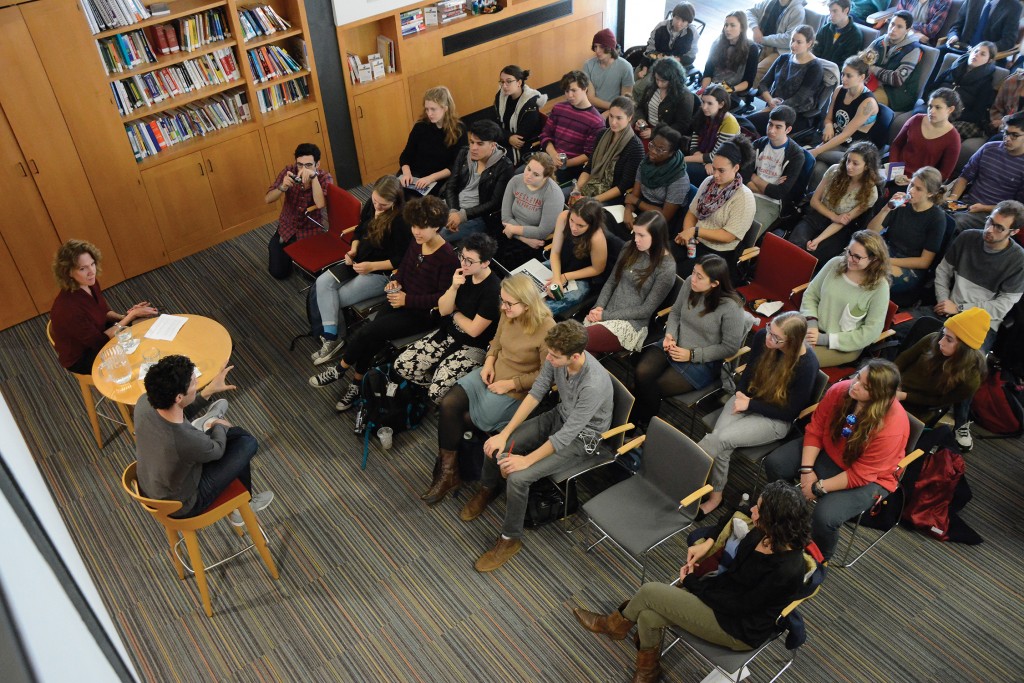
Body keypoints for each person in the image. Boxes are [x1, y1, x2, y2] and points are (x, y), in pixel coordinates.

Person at [571, 480, 813, 683]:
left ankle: (614, 625)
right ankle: (648, 670)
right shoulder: (763, 533)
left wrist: (694, 585)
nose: (752, 512)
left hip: (738, 627)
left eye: (759, 510)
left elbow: (739, 606)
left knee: (649, 592)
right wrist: (706, 552)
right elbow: (733, 572)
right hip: (724, 601)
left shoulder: (787, 570)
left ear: (776, 520)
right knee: (647, 617)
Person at [463, 320, 613, 573]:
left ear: (576, 356)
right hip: (560, 415)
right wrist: (506, 433)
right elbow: (536, 393)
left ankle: (510, 539)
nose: (549, 359)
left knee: (519, 478)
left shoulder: (593, 384)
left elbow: (568, 435)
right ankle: (488, 488)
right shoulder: (556, 357)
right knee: (498, 442)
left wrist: (527, 460)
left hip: (583, 438)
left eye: (555, 357)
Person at [308, 196, 459, 412]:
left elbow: (442, 298)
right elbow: (404, 269)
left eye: (422, 227)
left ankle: (339, 370)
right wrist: (395, 282)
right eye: (414, 225)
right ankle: (356, 384)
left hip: (422, 314)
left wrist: (407, 299)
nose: (416, 231)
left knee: (368, 332)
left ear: (436, 227)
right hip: (401, 300)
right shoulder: (417, 244)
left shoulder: (447, 258)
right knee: (372, 337)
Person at [426, 274, 556, 506]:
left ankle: (459, 469)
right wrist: (488, 362)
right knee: (449, 404)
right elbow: (495, 341)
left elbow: (545, 377)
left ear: (526, 304)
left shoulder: (547, 330)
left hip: (517, 388)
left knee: (468, 419)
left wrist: (512, 383)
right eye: (502, 301)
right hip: (494, 370)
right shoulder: (508, 313)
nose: (503, 307)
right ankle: (449, 473)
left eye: (508, 303)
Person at [764, 359, 909, 559]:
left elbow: (861, 474)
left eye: (864, 386)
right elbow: (815, 429)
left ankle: (819, 557)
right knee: (776, 464)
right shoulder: (842, 390)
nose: (854, 385)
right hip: (829, 452)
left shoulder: (892, 427)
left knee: (824, 517)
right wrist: (807, 471)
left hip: (870, 478)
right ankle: (785, 519)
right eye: (858, 377)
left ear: (879, 396)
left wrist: (817, 487)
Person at [698, 312, 820, 515]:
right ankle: (715, 496)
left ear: (791, 341)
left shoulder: (807, 365)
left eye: (776, 338)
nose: (768, 337)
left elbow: (790, 412)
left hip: (775, 418)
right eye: (770, 329)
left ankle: (684, 472)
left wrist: (750, 405)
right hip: (747, 399)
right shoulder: (763, 336)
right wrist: (740, 395)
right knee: (721, 443)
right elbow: (749, 373)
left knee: (720, 439)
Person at [136, 356, 274, 525]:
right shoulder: (185, 439)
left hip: (151, 486)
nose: (197, 383)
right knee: (245, 442)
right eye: (194, 383)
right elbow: (216, 451)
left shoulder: (144, 402)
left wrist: (209, 390)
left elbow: (177, 412)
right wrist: (218, 425)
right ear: (179, 397)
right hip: (183, 505)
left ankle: (205, 425)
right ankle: (242, 508)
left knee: (229, 440)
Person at [932, 201, 1024, 447]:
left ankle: (961, 422)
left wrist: (960, 310)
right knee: (907, 333)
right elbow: (942, 271)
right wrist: (943, 300)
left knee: (971, 366)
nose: (989, 230)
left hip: (982, 323)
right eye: (989, 221)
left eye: (998, 227)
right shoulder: (968, 238)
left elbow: (1001, 307)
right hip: (947, 310)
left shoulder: (1018, 260)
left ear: (1013, 232)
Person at [632, 254, 747, 430]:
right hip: (674, 343)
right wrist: (670, 335)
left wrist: (692, 354)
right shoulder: (689, 284)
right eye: (693, 272)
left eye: (699, 277)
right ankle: (637, 425)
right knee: (641, 373)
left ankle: (640, 425)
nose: (692, 279)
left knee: (652, 387)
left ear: (715, 283)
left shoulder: (732, 308)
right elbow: (676, 313)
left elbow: (730, 348)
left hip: (701, 360)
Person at [310, 176, 410, 366]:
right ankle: (333, 339)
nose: (377, 207)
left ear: (395, 201)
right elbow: (359, 230)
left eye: (383, 205)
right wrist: (353, 249)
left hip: (378, 272)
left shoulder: (401, 221)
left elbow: (401, 259)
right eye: (375, 202)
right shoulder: (373, 205)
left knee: (333, 297)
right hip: (360, 260)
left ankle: (333, 339)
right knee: (322, 283)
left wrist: (371, 266)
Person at [393, 233, 500, 404]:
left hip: (474, 346)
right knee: (402, 366)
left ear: (486, 263)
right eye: (462, 257)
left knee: (436, 393)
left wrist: (455, 313)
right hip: (449, 332)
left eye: (470, 261)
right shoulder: (462, 274)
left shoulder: (493, 291)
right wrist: (454, 287)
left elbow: (474, 330)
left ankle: (444, 395)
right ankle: (433, 385)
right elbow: (443, 310)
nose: (463, 263)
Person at [49, 239, 157, 375]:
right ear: (68, 272)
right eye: (83, 268)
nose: (91, 272)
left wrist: (126, 317)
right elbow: (100, 342)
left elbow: (102, 312)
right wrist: (131, 316)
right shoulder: (69, 309)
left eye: (92, 264)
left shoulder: (89, 283)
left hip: (98, 332)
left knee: (144, 328)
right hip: (84, 356)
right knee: (137, 355)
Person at [584, 212, 678, 353]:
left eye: (641, 235)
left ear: (657, 237)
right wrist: (598, 307)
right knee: (578, 350)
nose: (636, 239)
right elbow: (611, 282)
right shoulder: (630, 247)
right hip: (606, 311)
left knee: (575, 341)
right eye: (635, 233)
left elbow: (646, 310)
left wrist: (604, 316)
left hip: (630, 324)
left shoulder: (666, 268)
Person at [800, 230, 892, 367]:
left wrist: (824, 339)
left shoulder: (880, 287)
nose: (849, 259)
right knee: (775, 338)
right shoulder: (835, 263)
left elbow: (871, 332)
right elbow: (811, 295)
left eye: (857, 257)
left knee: (796, 359)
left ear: (874, 259)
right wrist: (811, 323)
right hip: (812, 329)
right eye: (849, 251)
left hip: (842, 346)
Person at [674, 139, 758, 279]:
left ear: (736, 168)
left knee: (675, 273)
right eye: (714, 168)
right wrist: (689, 237)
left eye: (721, 170)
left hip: (717, 253)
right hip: (696, 241)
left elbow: (728, 236)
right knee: (661, 257)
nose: (715, 175)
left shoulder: (744, 197)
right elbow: (692, 212)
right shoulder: (708, 183)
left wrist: (695, 231)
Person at [788, 141, 881, 265]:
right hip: (817, 215)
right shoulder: (834, 171)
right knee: (794, 246)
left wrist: (818, 239)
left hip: (838, 229)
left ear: (866, 166)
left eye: (855, 163)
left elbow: (843, 221)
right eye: (848, 161)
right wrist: (834, 216)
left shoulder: (870, 192)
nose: (849, 166)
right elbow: (814, 201)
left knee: (812, 256)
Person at [895, 308, 988, 430]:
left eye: (949, 339)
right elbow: (903, 359)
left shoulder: (970, 380)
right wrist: (894, 383)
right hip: (895, 386)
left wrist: (903, 396)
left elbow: (938, 401)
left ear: (964, 348)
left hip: (917, 407)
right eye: (944, 334)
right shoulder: (933, 339)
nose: (940, 342)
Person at [866, 166, 945, 299]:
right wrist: (886, 209)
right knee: (852, 258)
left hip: (909, 265)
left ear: (930, 193)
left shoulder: (936, 218)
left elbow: (924, 262)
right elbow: (870, 232)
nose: (912, 190)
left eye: (918, 189)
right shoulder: (901, 203)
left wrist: (886, 261)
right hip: (887, 251)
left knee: (873, 277)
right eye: (911, 185)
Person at [945, 112, 1024, 232]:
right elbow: (964, 177)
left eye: (1014, 135)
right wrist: (953, 198)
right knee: (930, 209)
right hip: (965, 203)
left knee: (953, 223)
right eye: (1006, 133)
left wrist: (984, 208)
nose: (1007, 138)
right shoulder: (989, 148)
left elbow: (1017, 208)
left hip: (995, 214)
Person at [265, 142, 333, 279]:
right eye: (300, 165)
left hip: (310, 230)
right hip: (287, 227)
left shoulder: (325, 177)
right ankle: (287, 251)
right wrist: (282, 187)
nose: (303, 169)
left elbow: (320, 204)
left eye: (308, 165)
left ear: (317, 165)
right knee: (278, 273)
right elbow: (268, 199)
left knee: (312, 275)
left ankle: (296, 254)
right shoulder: (289, 171)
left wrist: (314, 179)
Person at [442, 120, 514, 243]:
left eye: (480, 144)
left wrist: (462, 216)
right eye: (471, 142)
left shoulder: (505, 166)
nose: (473, 148)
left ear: (493, 145)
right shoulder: (464, 153)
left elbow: (494, 203)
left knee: (440, 237)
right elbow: (451, 186)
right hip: (453, 206)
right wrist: (453, 210)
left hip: (478, 216)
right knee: (419, 223)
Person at [748, 25, 825, 135]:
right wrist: (770, 100)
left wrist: (774, 108)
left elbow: (799, 99)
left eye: (799, 42)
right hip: (773, 107)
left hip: (795, 115)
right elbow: (763, 84)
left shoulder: (814, 67)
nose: (793, 45)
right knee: (746, 123)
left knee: (748, 123)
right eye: (792, 40)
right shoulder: (783, 58)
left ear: (809, 43)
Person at [497, 152, 564, 269]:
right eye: (528, 169)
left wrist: (513, 230)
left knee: (510, 266)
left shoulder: (553, 193)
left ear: (546, 177)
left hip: (535, 242)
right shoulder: (515, 181)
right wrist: (524, 238)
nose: (528, 176)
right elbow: (506, 217)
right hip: (516, 234)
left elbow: (542, 231)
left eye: (536, 174)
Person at [574, 96, 644, 205]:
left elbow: (623, 186)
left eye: (619, 118)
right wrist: (577, 190)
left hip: (612, 197)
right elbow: (589, 167)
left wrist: (592, 200)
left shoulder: (635, 147)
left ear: (629, 118)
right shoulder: (602, 134)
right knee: (563, 197)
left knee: (582, 212)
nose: (613, 122)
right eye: (611, 116)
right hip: (590, 185)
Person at [539, 70, 606, 183]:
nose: (569, 95)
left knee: (539, 183)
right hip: (550, 158)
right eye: (566, 91)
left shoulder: (597, 121)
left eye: (574, 90)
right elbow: (545, 134)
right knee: (520, 176)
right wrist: (554, 155)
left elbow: (589, 155)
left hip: (571, 168)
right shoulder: (558, 108)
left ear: (585, 89)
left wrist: (562, 163)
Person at [545, 198, 609, 316]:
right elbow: (555, 252)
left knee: (545, 308)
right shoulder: (564, 217)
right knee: (525, 282)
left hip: (581, 277)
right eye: (572, 220)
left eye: (580, 225)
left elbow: (597, 269)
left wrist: (563, 277)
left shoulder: (597, 238)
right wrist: (556, 277)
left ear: (591, 225)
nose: (574, 227)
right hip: (559, 263)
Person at [747, 105, 807, 229]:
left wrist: (754, 177)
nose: (771, 130)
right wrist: (768, 188)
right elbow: (743, 175)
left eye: (778, 127)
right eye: (770, 124)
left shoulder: (796, 155)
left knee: (749, 229)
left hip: (772, 203)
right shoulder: (758, 144)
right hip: (748, 191)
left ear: (788, 129)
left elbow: (779, 193)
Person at [399, 86, 464, 198]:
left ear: (445, 108)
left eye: (433, 109)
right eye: (427, 109)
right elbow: (406, 155)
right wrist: (406, 172)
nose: (429, 113)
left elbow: (456, 165)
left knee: (419, 204)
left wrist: (431, 178)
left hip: (439, 178)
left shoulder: (458, 130)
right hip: (415, 174)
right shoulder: (421, 127)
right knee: (392, 193)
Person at [811, 57, 879, 164]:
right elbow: (829, 118)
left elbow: (846, 135)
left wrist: (816, 151)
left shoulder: (868, 103)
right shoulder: (839, 90)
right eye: (843, 74)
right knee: (818, 168)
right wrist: (828, 125)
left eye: (849, 76)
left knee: (812, 154)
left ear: (861, 77)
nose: (843, 78)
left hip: (853, 150)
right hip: (836, 142)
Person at [624, 125, 691, 232]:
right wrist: (627, 211)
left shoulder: (679, 179)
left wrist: (636, 202)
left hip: (659, 224)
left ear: (671, 153)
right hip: (640, 209)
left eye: (660, 150)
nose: (653, 151)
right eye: (652, 145)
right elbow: (634, 195)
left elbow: (664, 216)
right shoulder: (647, 162)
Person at [889, 88, 962, 180]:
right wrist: (895, 170)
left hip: (920, 182)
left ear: (950, 109)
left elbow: (944, 174)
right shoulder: (916, 119)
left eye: (938, 107)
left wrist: (914, 182)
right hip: (896, 172)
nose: (931, 111)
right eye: (930, 106)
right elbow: (896, 145)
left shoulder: (953, 138)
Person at [929, 42, 997, 139]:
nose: (976, 54)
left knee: (939, 129)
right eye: (975, 51)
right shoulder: (954, 67)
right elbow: (932, 87)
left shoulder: (986, 84)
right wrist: (932, 105)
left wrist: (948, 113)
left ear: (989, 61)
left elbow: (976, 115)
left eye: (982, 54)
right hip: (934, 107)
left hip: (957, 117)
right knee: (919, 117)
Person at [684, 86, 741, 187]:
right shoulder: (703, 114)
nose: (704, 107)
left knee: (682, 167)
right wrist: (702, 160)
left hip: (721, 166)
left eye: (709, 103)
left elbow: (715, 156)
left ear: (721, 104)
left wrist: (683, 159)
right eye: (703, 102)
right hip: (705, 160)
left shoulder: (729, 123)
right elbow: (694, 142)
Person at [865, 12, 922, 111]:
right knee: (846, 91)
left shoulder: (913, 49)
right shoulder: (880, 41)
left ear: (907, 30)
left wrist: (873, 69)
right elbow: (863, 61)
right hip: (873, 83)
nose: (893, 29)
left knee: (866, 103)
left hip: (896, 93)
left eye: (899, 27)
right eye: (892, 24)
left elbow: (897, 79)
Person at [493, 65, 547, 168]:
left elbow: (519, 141)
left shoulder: (529, 106)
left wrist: (500, 134)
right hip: (506, 141)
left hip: (524, 148)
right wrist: (508, 137)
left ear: (519, 82)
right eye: (502, 81)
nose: (504, 86)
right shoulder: (501, 97)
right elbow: (494, 124)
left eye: (508, 81)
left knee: (489, 157)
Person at [747, 0, 810, 86]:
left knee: (755, 72)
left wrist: (763, 39)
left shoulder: (797, 11)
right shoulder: (769, 2)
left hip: (779, 51)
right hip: (760, 44)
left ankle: (739, 95)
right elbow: (750, 12)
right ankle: (727, 92)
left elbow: (789, 39)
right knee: (741, 64)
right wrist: (755, 28)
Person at [701, 11, 761, 100]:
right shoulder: (717, 43)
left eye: (732, 25)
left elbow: (748, 81)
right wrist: (704, 91)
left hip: (732, 91)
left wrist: (730, 90)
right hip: (713, 85)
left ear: (742, 28)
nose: (727, 29)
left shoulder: (752, 48)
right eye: (726, 25)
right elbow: (707, 73)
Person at [633, 58, 695, 140]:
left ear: (673, 80)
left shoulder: (684, 96)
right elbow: (640, 107)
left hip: (666, 135)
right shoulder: (651, 87)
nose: (659, 84)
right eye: (657, 79)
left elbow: (682, 125)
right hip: (646, 128)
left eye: (663, 81)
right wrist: (640, 119)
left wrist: (655, 132)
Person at [583, 28, 635, 112]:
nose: (597, 51)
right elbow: (591, 98)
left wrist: (608, 113)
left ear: (610, 48)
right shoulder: (588, 65)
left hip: (617, 111)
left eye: (602, 47)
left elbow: (625, 102)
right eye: (595, 47)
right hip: (594, 109)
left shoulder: (625, 67)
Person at [946, 0, 1022, 54]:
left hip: (987, 56)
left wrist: (986, 49)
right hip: (961, 48)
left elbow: (1009, 41)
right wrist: (954, 36)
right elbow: (956, 26)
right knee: (937, 53)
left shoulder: (1014, 7)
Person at [646, 2, 700, 67]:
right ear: (673, 16)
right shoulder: (661, 26)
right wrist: (645, 66)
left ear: (688, 22)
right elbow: (650, 47)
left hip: (678, 65)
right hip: (657, 61)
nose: (678, 23)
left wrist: (677, 59)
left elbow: (692, 55)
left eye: (683, 21)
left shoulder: (692, 32)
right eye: (677, 18)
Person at [815, 0, 862, 68]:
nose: (831, 15)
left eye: (835, 11)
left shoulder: (855, 35)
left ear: (846, 10)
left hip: (835, 73)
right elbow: (815, 49)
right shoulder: (826, 28)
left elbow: (847, 64)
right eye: (830, 11)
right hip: (818, 68)